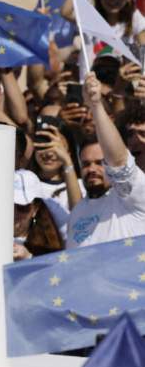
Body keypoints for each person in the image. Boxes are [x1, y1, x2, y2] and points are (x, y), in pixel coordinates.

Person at [66, 73, 145, 248]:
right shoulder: (78, 211)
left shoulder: (134, 195)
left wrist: (95, 105)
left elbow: (119, 163)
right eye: (86, 164)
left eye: (100, 162)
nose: (92, 169)